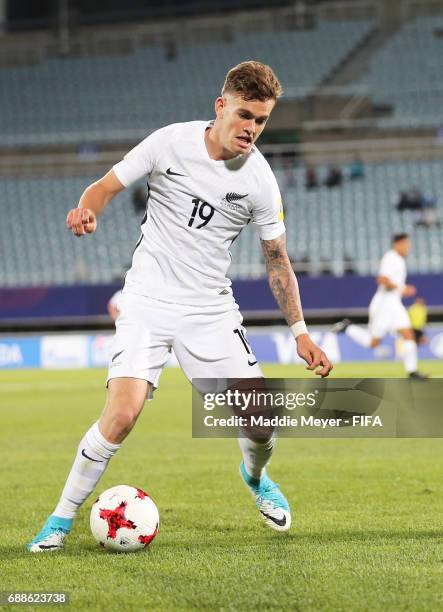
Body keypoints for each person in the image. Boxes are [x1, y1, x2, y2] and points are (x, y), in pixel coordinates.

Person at [28, 61, 332, 552]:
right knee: (122, 414)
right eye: (245, 115)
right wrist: (88, 209)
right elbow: (103, 187)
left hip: (209, 312)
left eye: (261, 120)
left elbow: (277, 261)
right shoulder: (169, 142)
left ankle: (255, 479)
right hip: (147, 302)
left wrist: (300, 332)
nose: (252, 128)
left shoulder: (260, 180)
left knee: (260, 422)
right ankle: (60, 521)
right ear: (221, 106)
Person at [332, 233, 427, 379]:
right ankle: (348, 327)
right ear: (398, 243)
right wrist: (403, 288)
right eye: (406, 244)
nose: (408, 247)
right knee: (374, 342)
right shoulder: (391, 257)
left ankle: (412, 371)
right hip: (384, 304)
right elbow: (382, 279)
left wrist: (401, 290)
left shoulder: (400, 260)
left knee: (408, 334)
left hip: (394, 302)